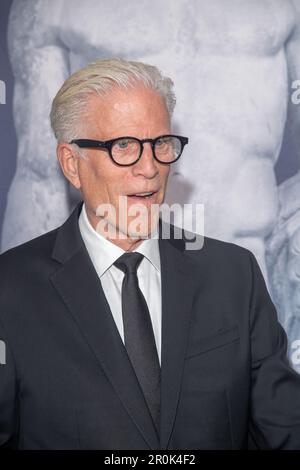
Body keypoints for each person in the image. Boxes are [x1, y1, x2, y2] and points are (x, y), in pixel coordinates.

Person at [1, 58, 300, 450]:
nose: (150, 168)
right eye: (123, 145)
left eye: (160, 144)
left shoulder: (233, 275)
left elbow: (285, 431)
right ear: (72, 164)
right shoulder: (10, 289)